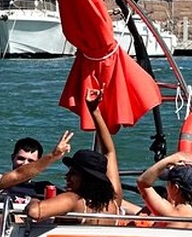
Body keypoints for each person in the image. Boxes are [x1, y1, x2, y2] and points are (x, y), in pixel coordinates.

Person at [26, 90, 124, 225]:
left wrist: (34, 200)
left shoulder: (74, 200)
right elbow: (109, 152)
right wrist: (94, 111)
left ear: (87, 178)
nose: (67, 176)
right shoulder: (113, 202)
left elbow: (34, 212)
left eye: (73, 173)